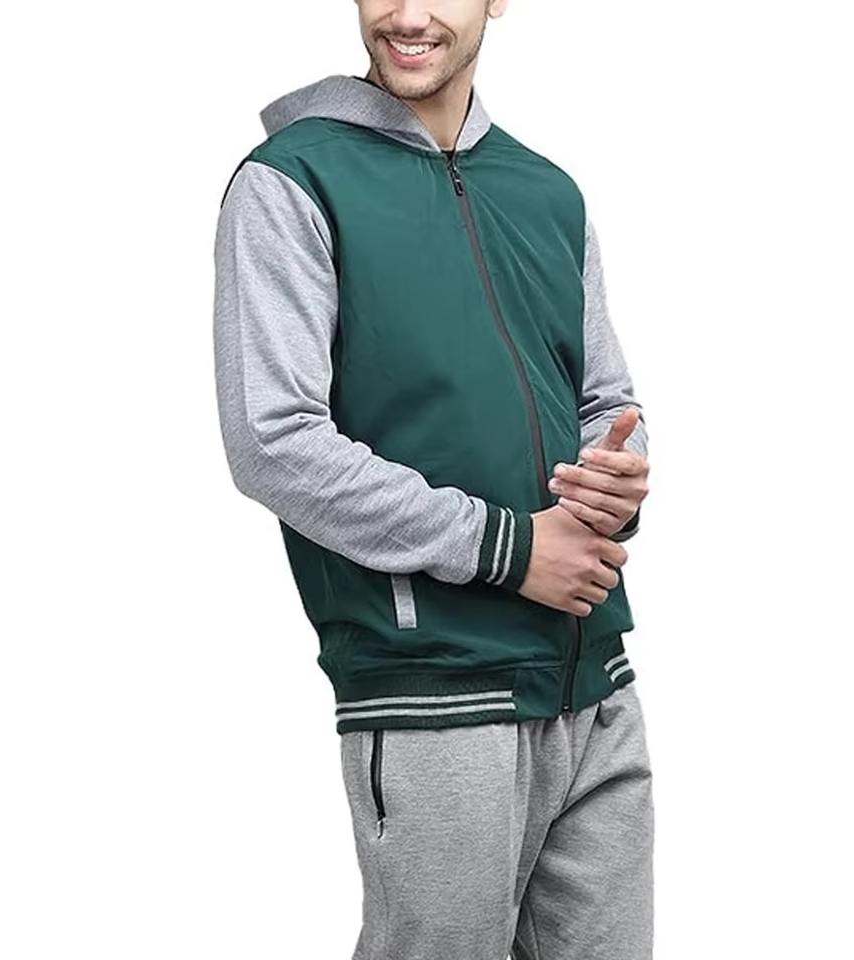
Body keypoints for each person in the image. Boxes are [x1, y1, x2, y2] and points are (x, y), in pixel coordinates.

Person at [212, 2, 654, 957]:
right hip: (433, 689)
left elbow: (605, 396)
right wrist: (512, 547)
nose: (408, 16)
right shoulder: (293, 181)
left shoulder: (547, 191)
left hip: (595, 683)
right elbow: (273, 440)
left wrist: (617, 475)